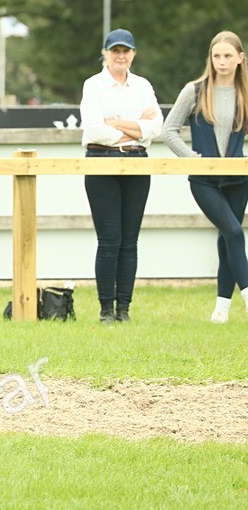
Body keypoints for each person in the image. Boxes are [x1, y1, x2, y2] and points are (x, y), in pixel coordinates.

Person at [162, 31, 248, 323]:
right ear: (210, 59)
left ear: (240, 58)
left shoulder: (245, 92)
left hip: (238, 179)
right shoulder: (195, 90)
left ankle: (221, 309)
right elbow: (168, 130)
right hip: (204, 181)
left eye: (227, 56)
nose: (221, 62)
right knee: (235, 233)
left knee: (228, 238)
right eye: (216, 56)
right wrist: (192, 160)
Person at [80, 29, 162, 323]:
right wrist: (135, 127)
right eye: (115, 50)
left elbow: (157, 128)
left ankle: (124, 308)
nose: (120, 56)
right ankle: (105, 309)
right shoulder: (93, 85)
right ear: (105, 54)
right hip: (102, 162)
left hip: (137, 161)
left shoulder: (142, 86)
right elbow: (94, 129)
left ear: (133, 54)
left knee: (130, 240)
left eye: (125, 51)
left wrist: (116, 122)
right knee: (109, 239)